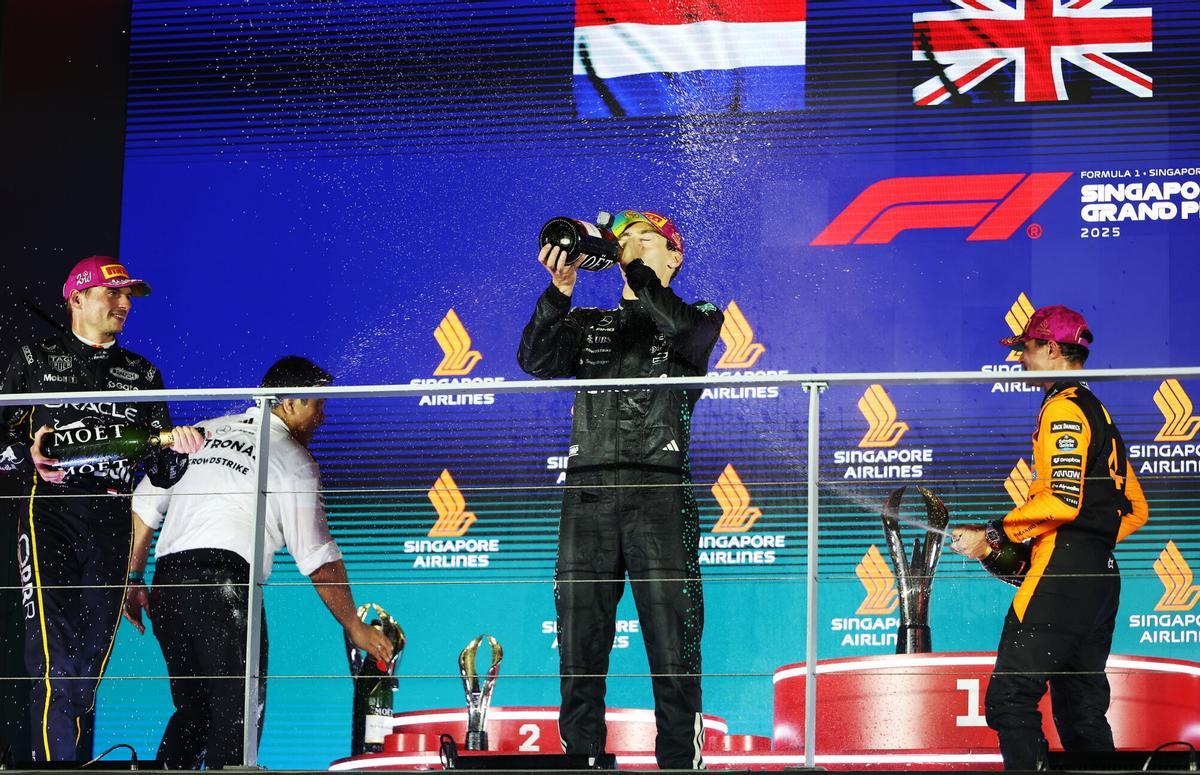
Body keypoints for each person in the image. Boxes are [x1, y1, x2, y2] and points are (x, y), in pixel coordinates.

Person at [518, 210, 723, 769]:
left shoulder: (700, 316)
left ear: (674, 257)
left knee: (672, 647)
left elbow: (679, 326)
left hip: (660, 494)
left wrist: (637, 275)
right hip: (587, 497)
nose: (630, 247)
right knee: (580, 649)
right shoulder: (589, 322)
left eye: (645, 240)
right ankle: (580, 763)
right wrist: (559, 292)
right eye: (624, 240)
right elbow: (534, 359)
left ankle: (680, 763)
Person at [122, 355, 393, 770]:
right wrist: (353, 625)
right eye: (316, 404)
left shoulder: (203, 432)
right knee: (237, 716)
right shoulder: (293, 461)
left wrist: (134, 577)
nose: (322, 417)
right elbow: (319, 558)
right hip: (224, 590)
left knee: (194, 712)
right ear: (286, 403)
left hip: (169, 586)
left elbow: (144, 505)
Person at [0, 256, 204, 762]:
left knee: (87, 668)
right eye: (113, 294)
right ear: (78, 298)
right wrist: (25, 457)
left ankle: (66, 760)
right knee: (53, 661)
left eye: (129, 295)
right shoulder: (34, 357)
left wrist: (179, 451)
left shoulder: (142, 373)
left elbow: (161, 472)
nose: (124, 304)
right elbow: (1, 444)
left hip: (114, 517)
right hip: (50, 510)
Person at [951, 305, 1149, 770]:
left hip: (1064, 571)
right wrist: (1088, 545)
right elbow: (1136, 510)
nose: (1019, 357)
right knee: (1081, 713)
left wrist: (994, 535)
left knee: (1009, 700)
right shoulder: (1098, 410)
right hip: (1101, 578)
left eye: (1026, 347)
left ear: (1053, 349)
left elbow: (1062, 500)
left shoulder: (1063, 408)